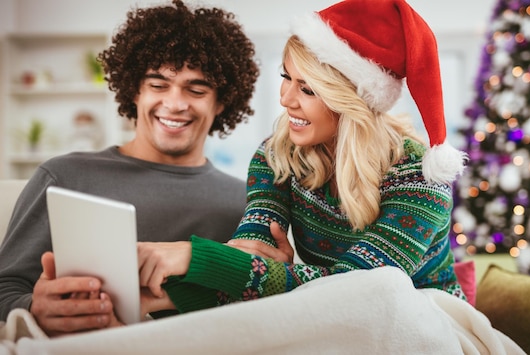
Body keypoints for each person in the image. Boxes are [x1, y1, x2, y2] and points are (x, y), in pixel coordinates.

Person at [136, 0, 469, 315]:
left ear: (350, 102)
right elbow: (253, 250)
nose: (286, 99)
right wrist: (161, 298)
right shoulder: (276, 155)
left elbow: (359, 290)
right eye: (286, 78)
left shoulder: (419, 179)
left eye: (307, 89)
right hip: (332, 320)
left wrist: (196, 257)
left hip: (429, 319)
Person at [0, 0, 292, 337]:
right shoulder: (64, 177)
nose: (175, 103)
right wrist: (35, 309)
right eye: (157, 85)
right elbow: (5, 288)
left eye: (196, 89)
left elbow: (254, 312)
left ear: (221, 101)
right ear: (134, 90)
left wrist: (272, 278)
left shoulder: (246, 202)